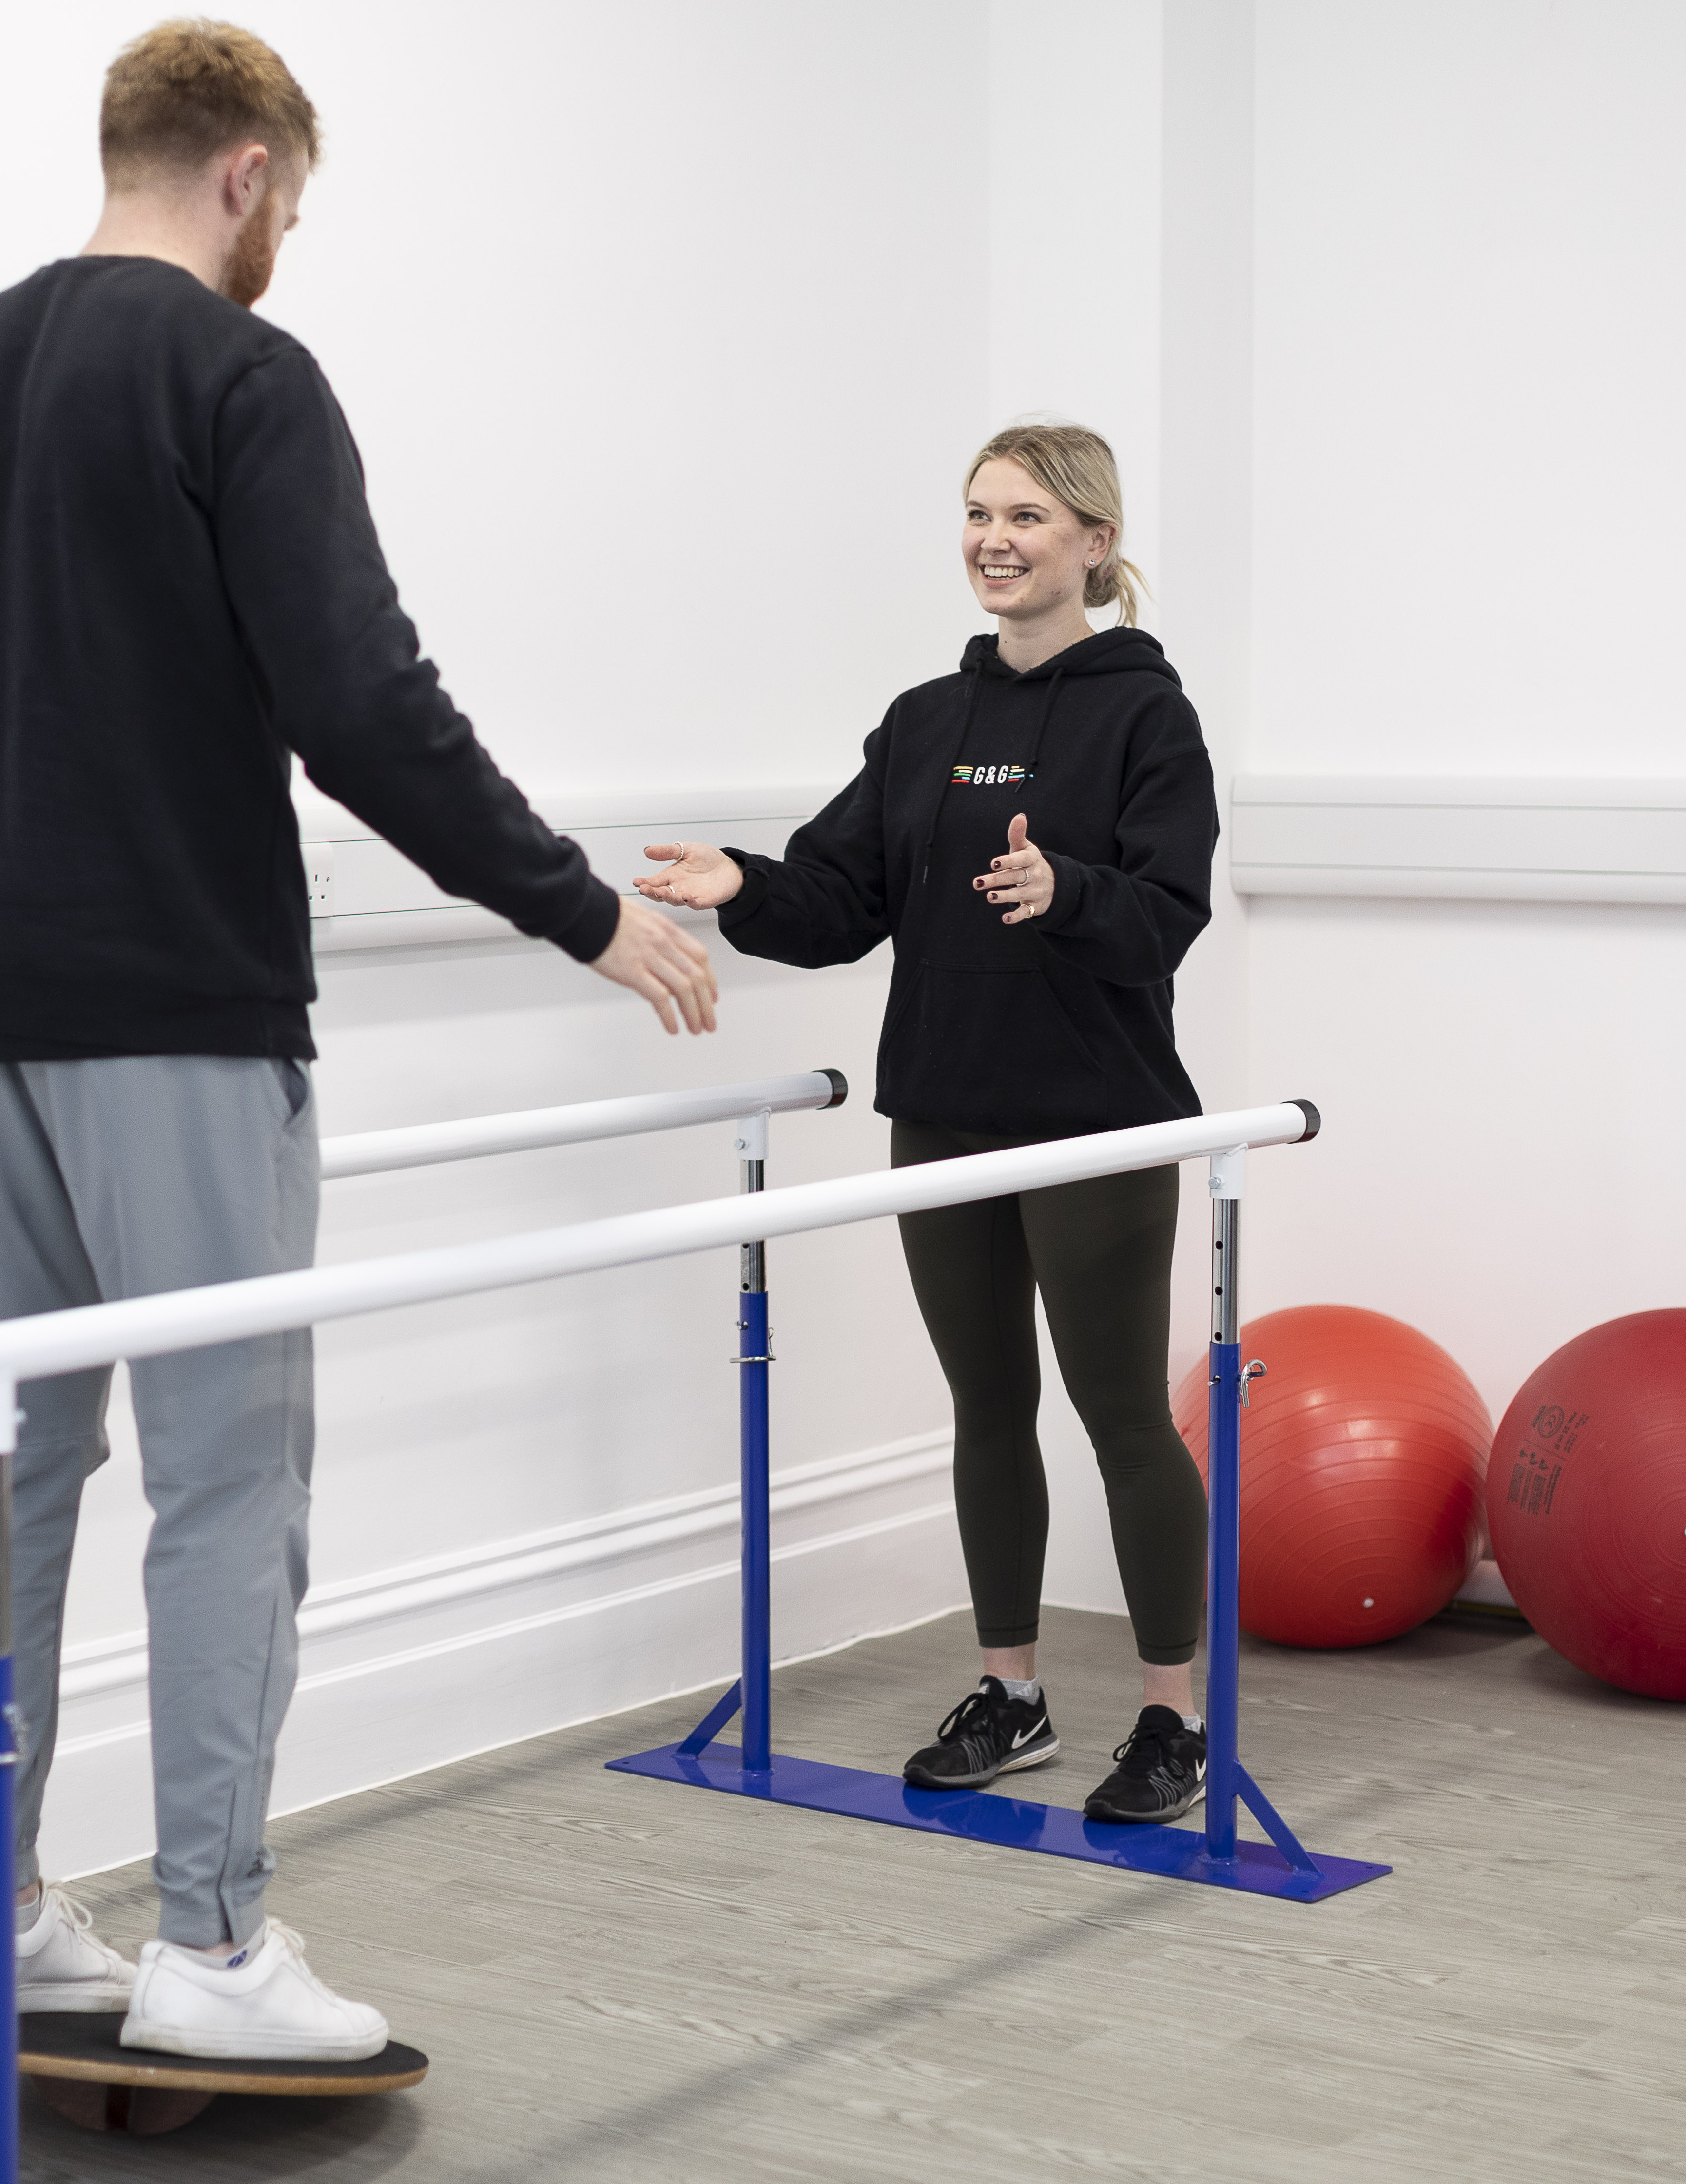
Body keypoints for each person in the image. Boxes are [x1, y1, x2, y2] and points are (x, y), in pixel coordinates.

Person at [0, 19, 717, 2062]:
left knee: (3, 1480)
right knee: (224, 1482)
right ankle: (207, 1939)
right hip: (174, 1018)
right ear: (253, 173)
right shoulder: (239, 374)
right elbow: (363, 698)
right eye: (297, 200)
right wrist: (587, 907)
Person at [637, 422, 1218, 1825]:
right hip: (947, 1113)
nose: (995, 540)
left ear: (1093, 541)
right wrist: (748, 882)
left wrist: (1066, 895)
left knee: (1124, 1416)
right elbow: (844, 902)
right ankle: (1010, 1692)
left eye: (1026, 515)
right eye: (976, 514)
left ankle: (1173, 1717)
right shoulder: (925, 724)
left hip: (1095, 1123)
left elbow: (1168, 916)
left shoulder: (1147, 716)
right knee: (987, 1409)